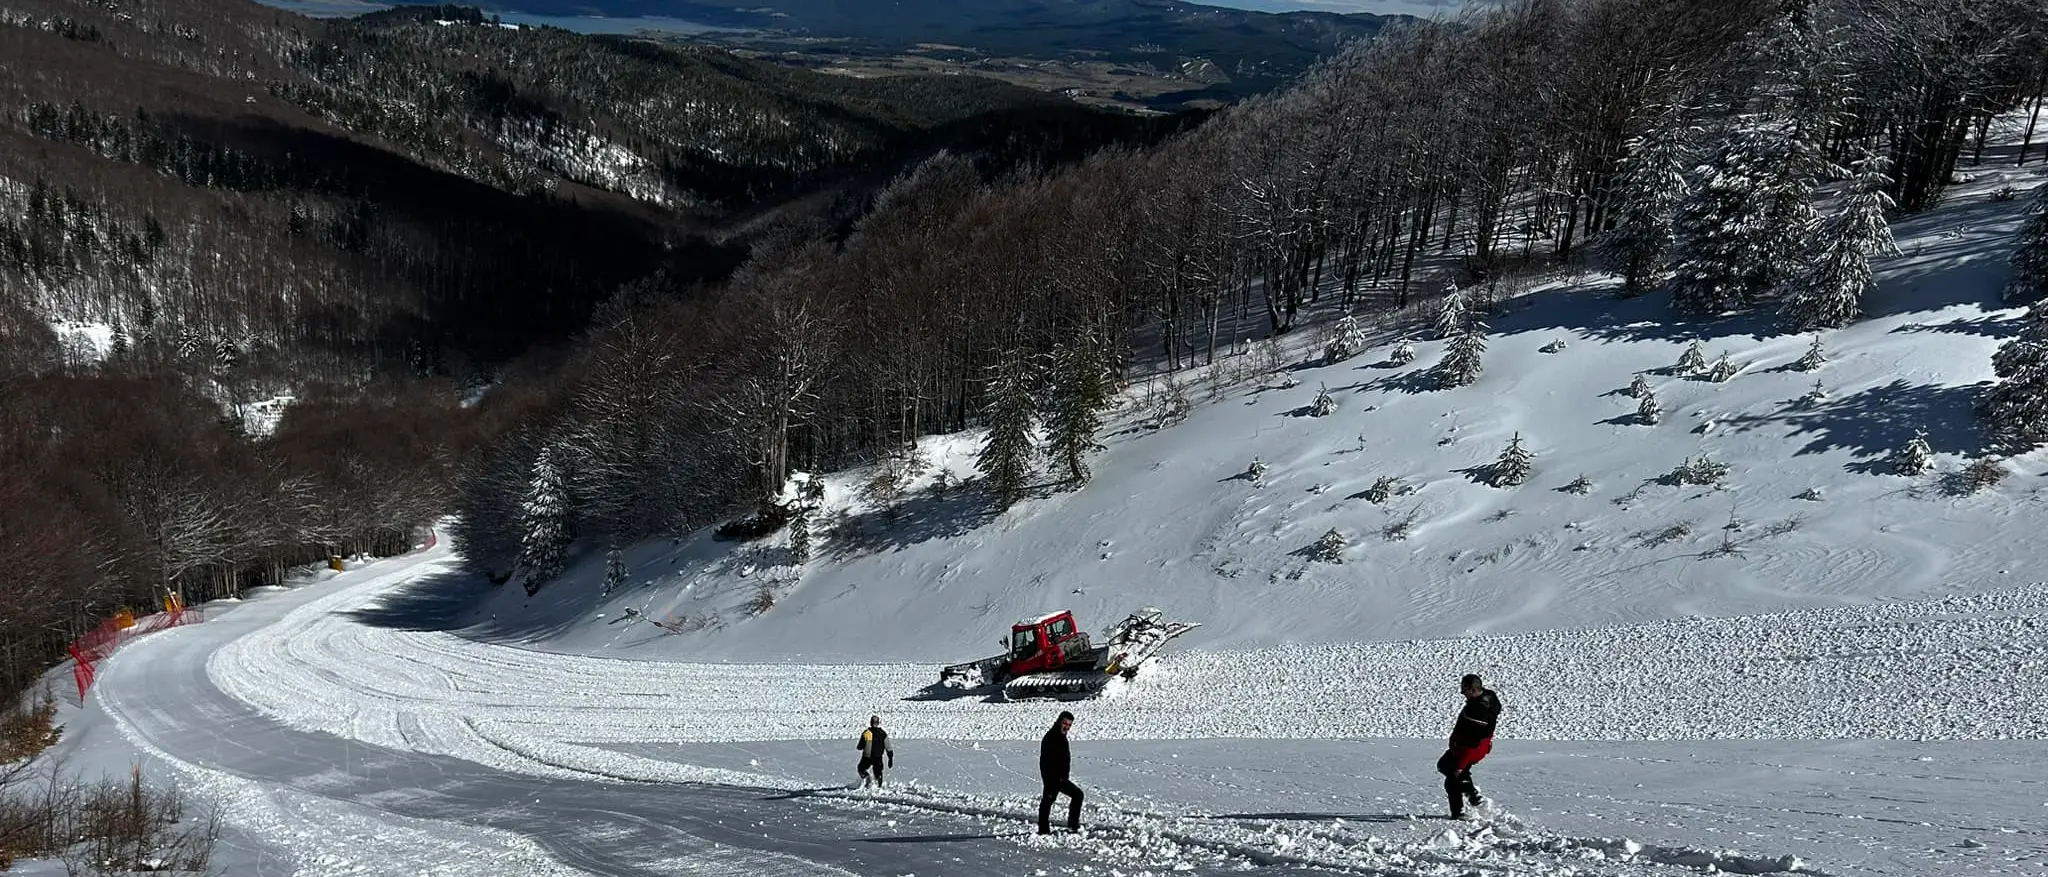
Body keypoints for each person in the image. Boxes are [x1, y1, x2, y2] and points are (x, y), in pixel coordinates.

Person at [1436, 673, 1501, 819]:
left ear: (1472, 690)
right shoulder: (1489, 697)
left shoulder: (1477, 713)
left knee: (1452, 776)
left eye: (1464, 689)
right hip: (1478, 747)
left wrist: (1460, 765)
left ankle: (1463, 807)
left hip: (1468, 750)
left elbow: (1472, 743)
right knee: (1449, 769)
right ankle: (1471, 796)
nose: (1461, 692)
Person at [1037, 710, 1083, 834]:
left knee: (1047, 801)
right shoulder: (1051, 737)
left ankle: (1044, 830)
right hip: (1053, 778)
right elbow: (1044, 761)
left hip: (1061, 777)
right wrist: (1049, 779)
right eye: (1065, 723)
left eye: (1069, 725)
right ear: (1059, 722)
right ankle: (1071, 826)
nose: (1066, 727)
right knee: (1077, 795)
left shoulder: (1061, 737)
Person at [856, 715, 894, 788]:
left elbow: (860, 746)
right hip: (878, 757)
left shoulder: (866, 733)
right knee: (878, 774)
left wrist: (862, 746)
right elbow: (888, 746)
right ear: (878, 723)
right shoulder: (882, 733)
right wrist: (890, 758)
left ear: (870, 722)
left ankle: (867, 778)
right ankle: (879, 787)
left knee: (861, 768)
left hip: (867, 757)